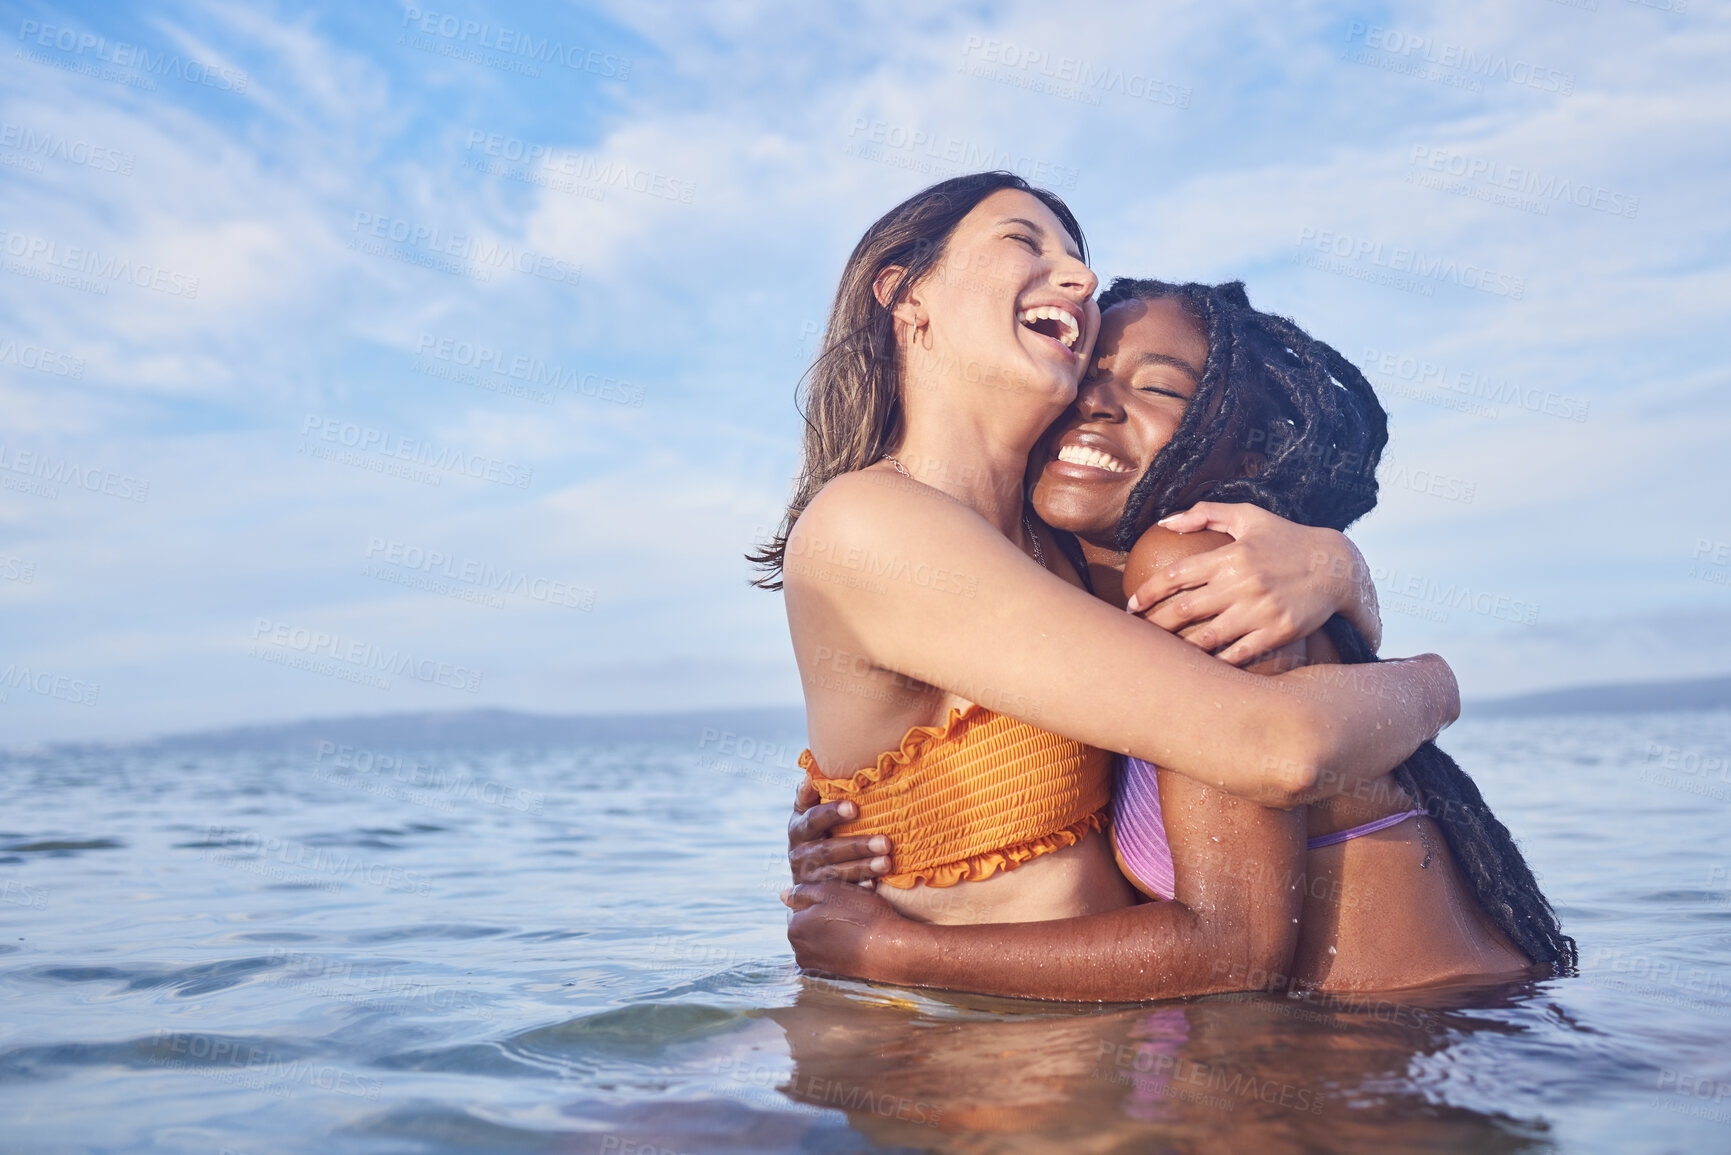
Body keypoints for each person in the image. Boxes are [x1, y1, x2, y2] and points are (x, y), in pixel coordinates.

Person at [784, 276, 1576, 998]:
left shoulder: (1193, 568)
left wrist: (885, 949)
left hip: (1416, 1054)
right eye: (1084, 375)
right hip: (1379, 1050)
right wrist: (875, 819)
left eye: (1158, 386)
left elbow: (1231, 952)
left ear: (1244, 442)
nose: (1095, 402)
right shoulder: (1068, 591)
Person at [750, 170, 1459, 957]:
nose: (1081, 278)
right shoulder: (871, 523)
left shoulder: (1052, 549)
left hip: (1094, 1045)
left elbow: (1227, 692)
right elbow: (1276, 748)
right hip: (932, 1048)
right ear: (904, 295)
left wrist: (1336, 564)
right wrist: (1438, 682)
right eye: (1022, 239)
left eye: (1077, 256)